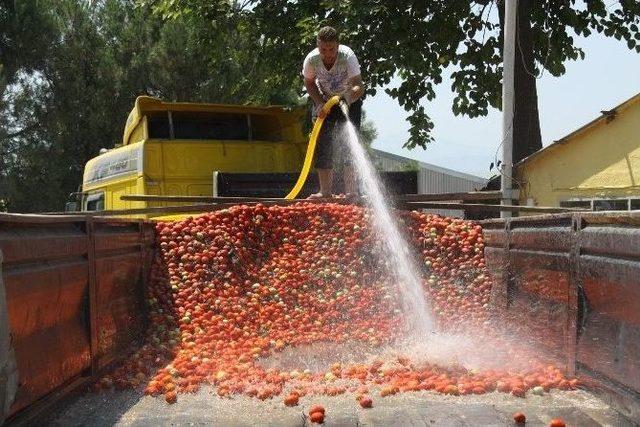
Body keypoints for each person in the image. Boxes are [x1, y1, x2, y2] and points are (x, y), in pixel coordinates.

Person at [302, 26, 365, 198]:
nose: (328, 54)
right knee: (322, 143)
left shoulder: (348, 56)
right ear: (318, 46)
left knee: (350, 145)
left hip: (349, 101)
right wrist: (319, 102)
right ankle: (325, 192)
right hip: (325, 101)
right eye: (323, 49)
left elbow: (359, 85)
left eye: (332, 49)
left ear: (338, 46)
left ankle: (352, 192)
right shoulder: (311, 59)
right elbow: (309, 82)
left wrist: (348, 96)